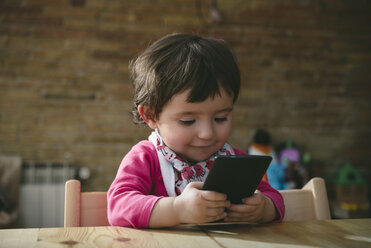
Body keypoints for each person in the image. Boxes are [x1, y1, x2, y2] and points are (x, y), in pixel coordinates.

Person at [107, 33, 285, 228]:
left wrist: (263, 209)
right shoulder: (146, 158)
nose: (207, 133)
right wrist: (177, 209)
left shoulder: (235, 160)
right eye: (188, 120)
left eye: (220, 118)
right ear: (150, 115)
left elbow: (273, 197)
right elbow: (119, 206)